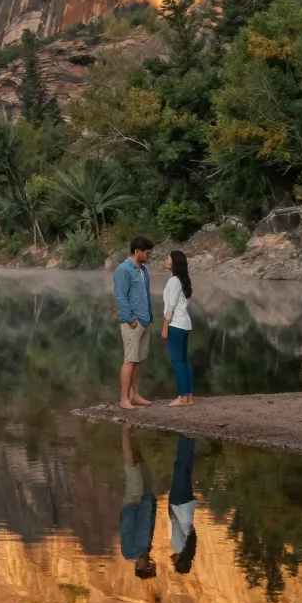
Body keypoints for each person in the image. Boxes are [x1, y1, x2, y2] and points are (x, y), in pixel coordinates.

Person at [113, 235, 155, 408]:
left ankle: (135, 395)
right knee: (129, 360)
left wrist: (150, 317)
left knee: (138, 361)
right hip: (133, 322)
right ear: (137, 251)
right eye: (147, 253)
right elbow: (120, 297)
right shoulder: (123, 270)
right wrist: (131, 319)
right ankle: (124, 399)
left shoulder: (143, 270)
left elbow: (145, 294)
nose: (149, 256)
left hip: (145, 321)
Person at [118, 425, 157, 579]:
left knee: (131, 466)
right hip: (146, 501)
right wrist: (151, 503)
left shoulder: (129, 552)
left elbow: (126, 527)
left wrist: (134, 505)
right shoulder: (147, 548)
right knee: (142, 464)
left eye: (149, 568)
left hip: (134, 502)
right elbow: (149, 523)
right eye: (153, 568)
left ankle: (125, 429)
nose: (152, 565)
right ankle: (132, 434)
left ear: (139, 566)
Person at [162, 248, 196, 407]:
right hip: (184, 324)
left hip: (176, 324)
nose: (165, 260)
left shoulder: (173, 281)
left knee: (177, 361)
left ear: (174, 262)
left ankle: (182, 397)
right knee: (184, 360)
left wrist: (164, 327)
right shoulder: (179, 280)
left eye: (168, 258)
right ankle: (189, 395)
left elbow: (171, 307)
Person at [168, 434, 198, 575]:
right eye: (174, 563)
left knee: (187, 469)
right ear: (178, 561)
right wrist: (170, 507)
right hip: (178, 504)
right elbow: (174, 522)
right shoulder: (178, 546)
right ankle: (185, 435)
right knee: (180, 466)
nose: (171, 561)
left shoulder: (190, 548)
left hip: (188, 506)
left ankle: (191, 438)